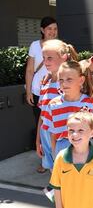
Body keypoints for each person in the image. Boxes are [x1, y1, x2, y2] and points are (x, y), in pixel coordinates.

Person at [42, 60, 93, 157]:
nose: (64, 83)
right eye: (61, 80)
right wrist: (55, 155)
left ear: (81, 80)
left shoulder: (92, 104)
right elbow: (52, 134)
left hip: (87, 150)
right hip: (62, 151)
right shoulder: (52, 105)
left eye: (69, 79)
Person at [49, 111, 93, 208]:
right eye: (71, 130)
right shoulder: (61, 157)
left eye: (80, 130)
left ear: (92, 133)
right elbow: (57, 188)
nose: (74, 134)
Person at [36, 39, 79, 172]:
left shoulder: (68, 85)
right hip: (46, 136)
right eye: (44, 58)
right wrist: (38, 140)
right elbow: (43, 115)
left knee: (66, 174)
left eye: (50, 58)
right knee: (54, 176)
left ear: (64, 57)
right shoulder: (46, 82)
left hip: (63, 139)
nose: (46, 62)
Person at [25, 16, 57, 173]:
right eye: (49, 28)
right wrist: (28, 90)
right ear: (42, 30)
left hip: (57, 92)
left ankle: (57, 158)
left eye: (55, 29)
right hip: (39, 92)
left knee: (56, 125)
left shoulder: (59, 46)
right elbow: (30, 70)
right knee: (42, 125)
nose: (52, 31)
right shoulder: (34, 46)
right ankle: (44, 161)